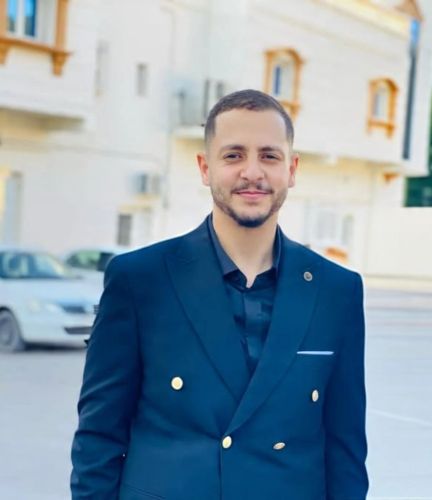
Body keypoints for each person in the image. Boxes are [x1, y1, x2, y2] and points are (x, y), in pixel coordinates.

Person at [71, 89, 368, 500]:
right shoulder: (139, 280)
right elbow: (99, 435)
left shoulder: (336, 290)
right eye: (233, 155)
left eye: (269, 155)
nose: (252, 172)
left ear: (292, 169)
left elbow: (346, 447)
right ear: (205, 167)